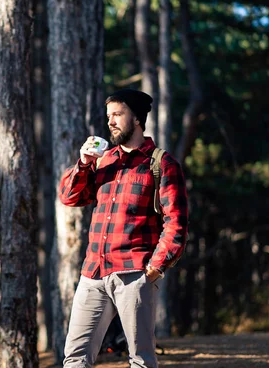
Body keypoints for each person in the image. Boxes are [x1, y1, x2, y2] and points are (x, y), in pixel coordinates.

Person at [58, 88, 189, 368]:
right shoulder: (103, 161)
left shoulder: (161, 164)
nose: (111, 122)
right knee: (75, 357)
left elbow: (176, 221)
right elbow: (70, 197)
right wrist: (83, 163)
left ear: (137, 119)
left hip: (134, 273)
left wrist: (154, 268)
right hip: (93, 272)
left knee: (140, 360)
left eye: (118, 114)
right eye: (109, 116)